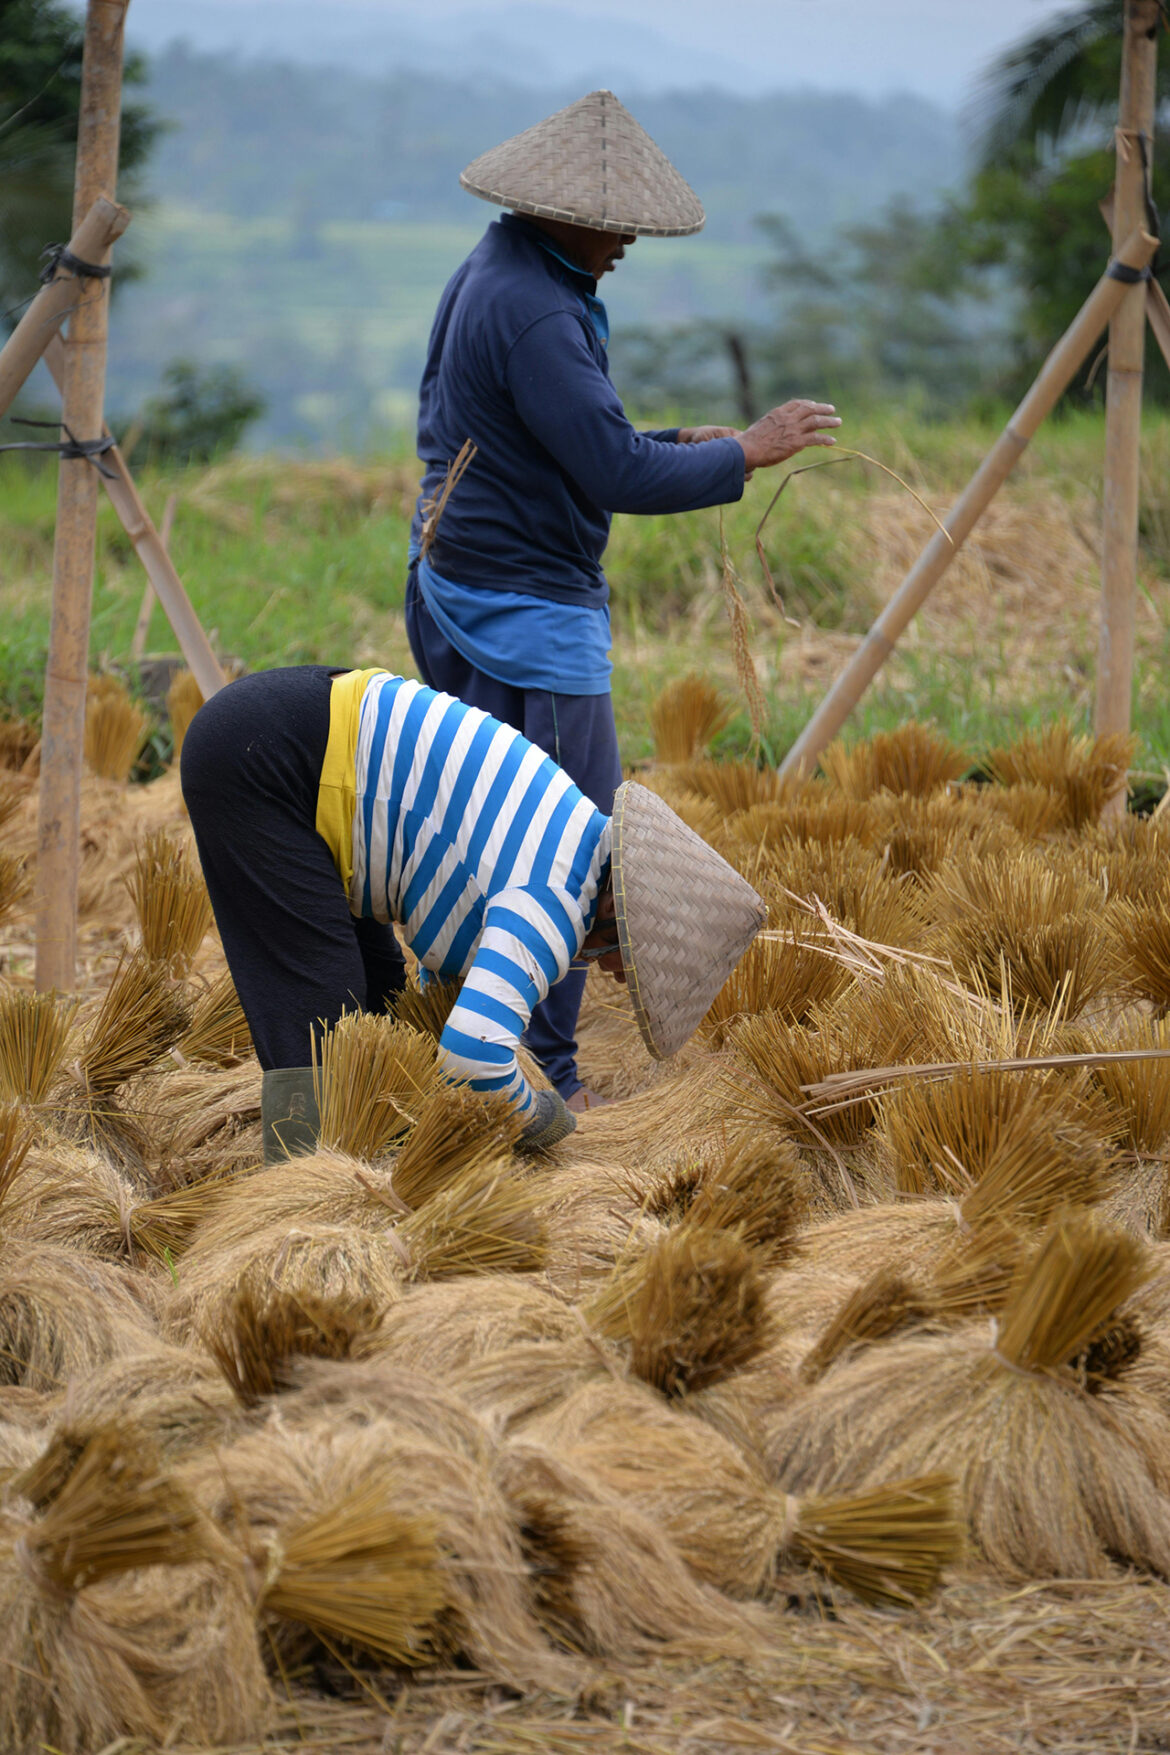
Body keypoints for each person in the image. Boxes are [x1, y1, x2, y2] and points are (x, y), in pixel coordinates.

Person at [405, 87, 840, 1114]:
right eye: (616, 226)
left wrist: (676, 440)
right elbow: (614, 475)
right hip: (524, 614)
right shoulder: (538, 312)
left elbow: (564, 438)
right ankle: (544, 1071)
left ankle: (451, 1028)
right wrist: (747, 451)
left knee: (470, 830)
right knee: (565, 845)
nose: (628, 243)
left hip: (454, 580)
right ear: (567, 216)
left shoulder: (497, 270)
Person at [181, 663, 765, 1164]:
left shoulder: (573, 833)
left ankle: (367, 1163)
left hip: (304, 736)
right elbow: (473, 1057)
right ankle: (301, 1207)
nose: (618, 977)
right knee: (322, 1020)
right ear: (623, 909)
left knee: (383, 1004)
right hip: (275, 762)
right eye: (632, 962)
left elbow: (445, 987)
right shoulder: (555, 900)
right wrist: (538, 1120)